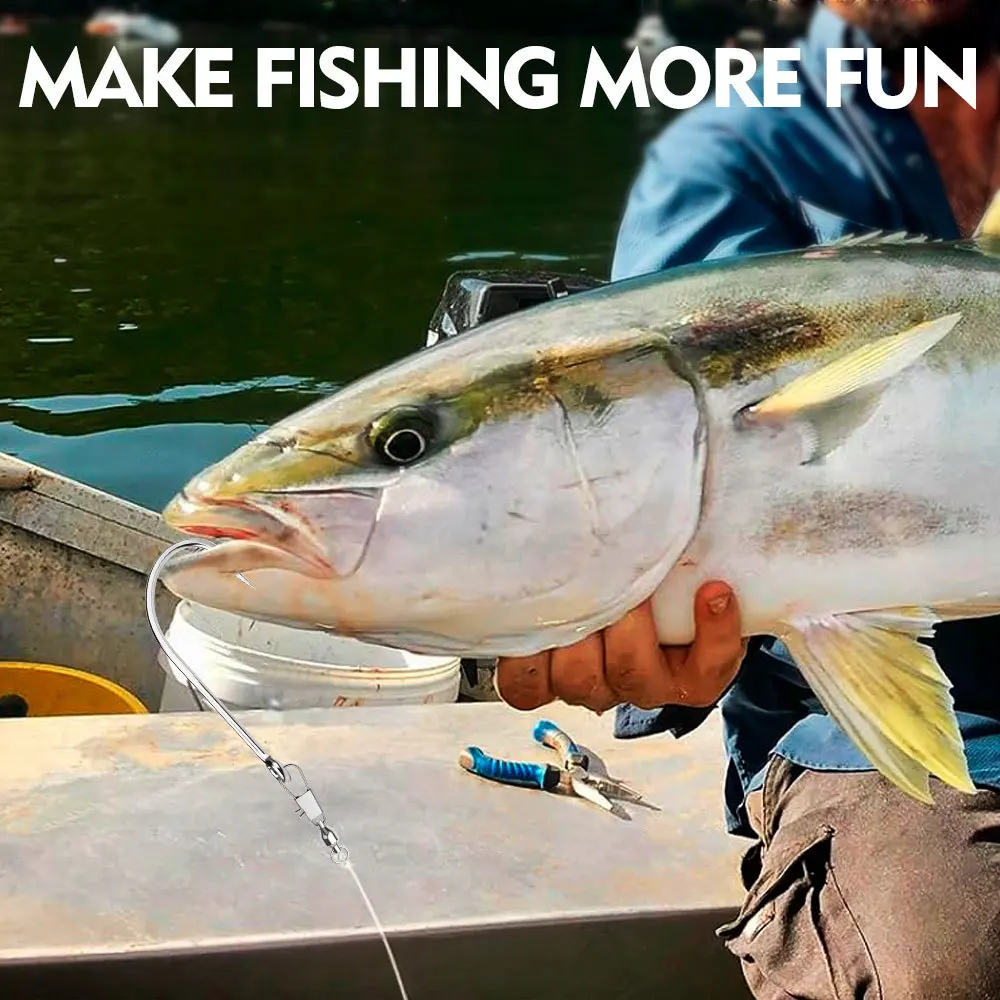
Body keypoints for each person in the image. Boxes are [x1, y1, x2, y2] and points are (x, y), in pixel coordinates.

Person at [495, 2, 1000, 997]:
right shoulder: (732, 161)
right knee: (946, 964)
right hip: (901, 730)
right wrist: (655, 641)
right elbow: (698, 509)